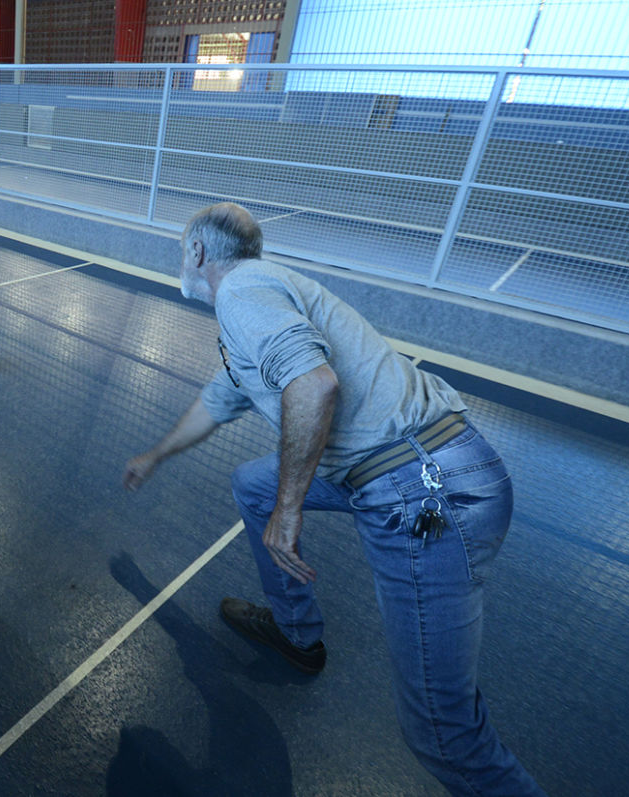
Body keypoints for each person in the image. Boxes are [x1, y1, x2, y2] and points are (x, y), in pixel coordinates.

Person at [122, 203, 545, 796]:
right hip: (423, 468)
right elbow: (217, 400)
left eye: (179, 249)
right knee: (252, 483)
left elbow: (314, 384)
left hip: (424, 494)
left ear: (196, 252)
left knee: (444, 734)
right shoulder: (262, 296)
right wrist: (156, 454)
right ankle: (296, 634)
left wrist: (289, 507)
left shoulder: (241, 291)